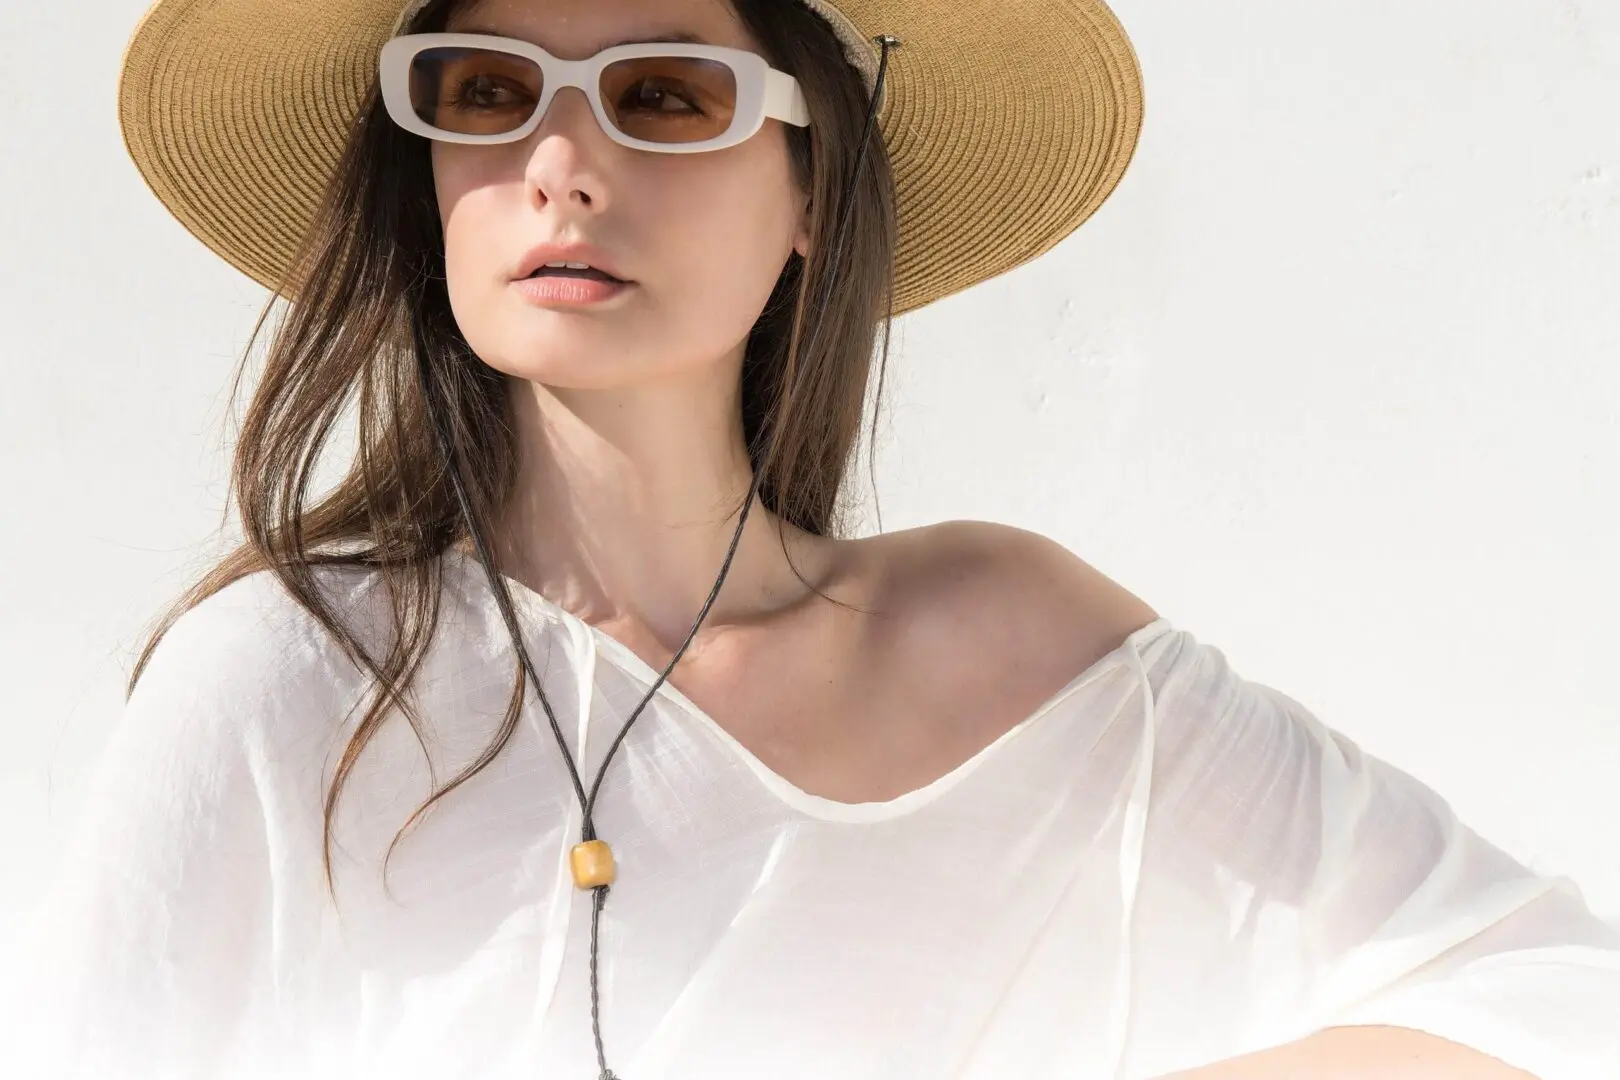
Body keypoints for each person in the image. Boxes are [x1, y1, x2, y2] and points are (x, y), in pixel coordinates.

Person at [4, 0, 1618, 1077]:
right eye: (486, 92)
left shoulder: (1019, 657)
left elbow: (1554, 996)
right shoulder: (295, 686)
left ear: (813, 191)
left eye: (663, 94)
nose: (559, 165)